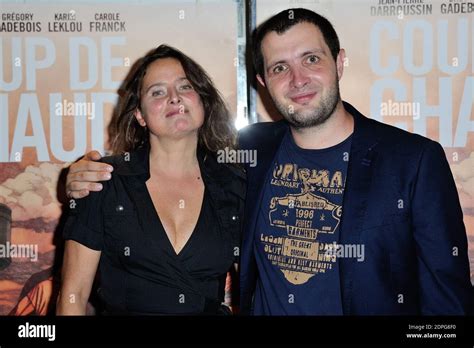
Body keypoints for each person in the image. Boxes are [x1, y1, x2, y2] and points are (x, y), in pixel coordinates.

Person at [64, 9, 473, 315]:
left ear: (340, 62)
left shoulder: (413, 160)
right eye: (280, 67)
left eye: (311, 59)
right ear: (262, 82)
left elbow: (448, 300)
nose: (297, 79)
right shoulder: (249, 153)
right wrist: (77, 180)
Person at [57, 45, 245, 315]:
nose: (174, 98)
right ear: (140, 116)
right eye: (157, 91)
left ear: (202, 101)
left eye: (185, 87)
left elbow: (254, 290)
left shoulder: (234, 186)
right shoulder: (104, 181)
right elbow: (73, 294)